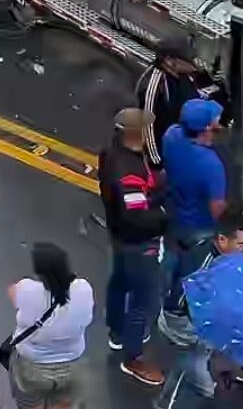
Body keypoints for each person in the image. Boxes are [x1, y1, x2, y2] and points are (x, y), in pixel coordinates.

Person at [154, 205, 243, 409]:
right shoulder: (203, 266)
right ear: (223, 240)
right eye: (242, 243)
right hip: (182, 322)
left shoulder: (219, 253)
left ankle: (201, 383)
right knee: (194, 368)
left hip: (196, 317)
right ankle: (167, 403)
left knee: (201, 361)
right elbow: (180, 302)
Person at [99, 107, 167, 388]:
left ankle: (116, 331)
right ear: (134, 133)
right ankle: (134, 357)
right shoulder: (128, 171)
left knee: (119, 283)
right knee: (143, 300)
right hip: (138, 243)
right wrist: (166, 218)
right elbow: (136, 215)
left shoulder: (111, 152)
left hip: (119, 237)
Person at [161, 99, 229, 321]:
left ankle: (161, 288)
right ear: (207, 128)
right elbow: (216, 207)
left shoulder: (171, 135)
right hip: (198, 227)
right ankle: (176, 306)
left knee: (171, 256)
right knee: (192, 270)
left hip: (172, 214)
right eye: (215, 119)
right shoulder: (211, 166)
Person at [6, 243, 94, 409]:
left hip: (32, 367)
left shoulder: (27, 290)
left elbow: (12, 290)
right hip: (72, 365)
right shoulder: (83, 289)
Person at [136, 39, 229, 168]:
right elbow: (147, 127)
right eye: (189, 60)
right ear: (170, 61)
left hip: (185, 144)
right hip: (166, 152)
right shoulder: (153, 87)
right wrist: (157, 163)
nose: (194, 65)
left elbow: (200, 99)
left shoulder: (187, 76)